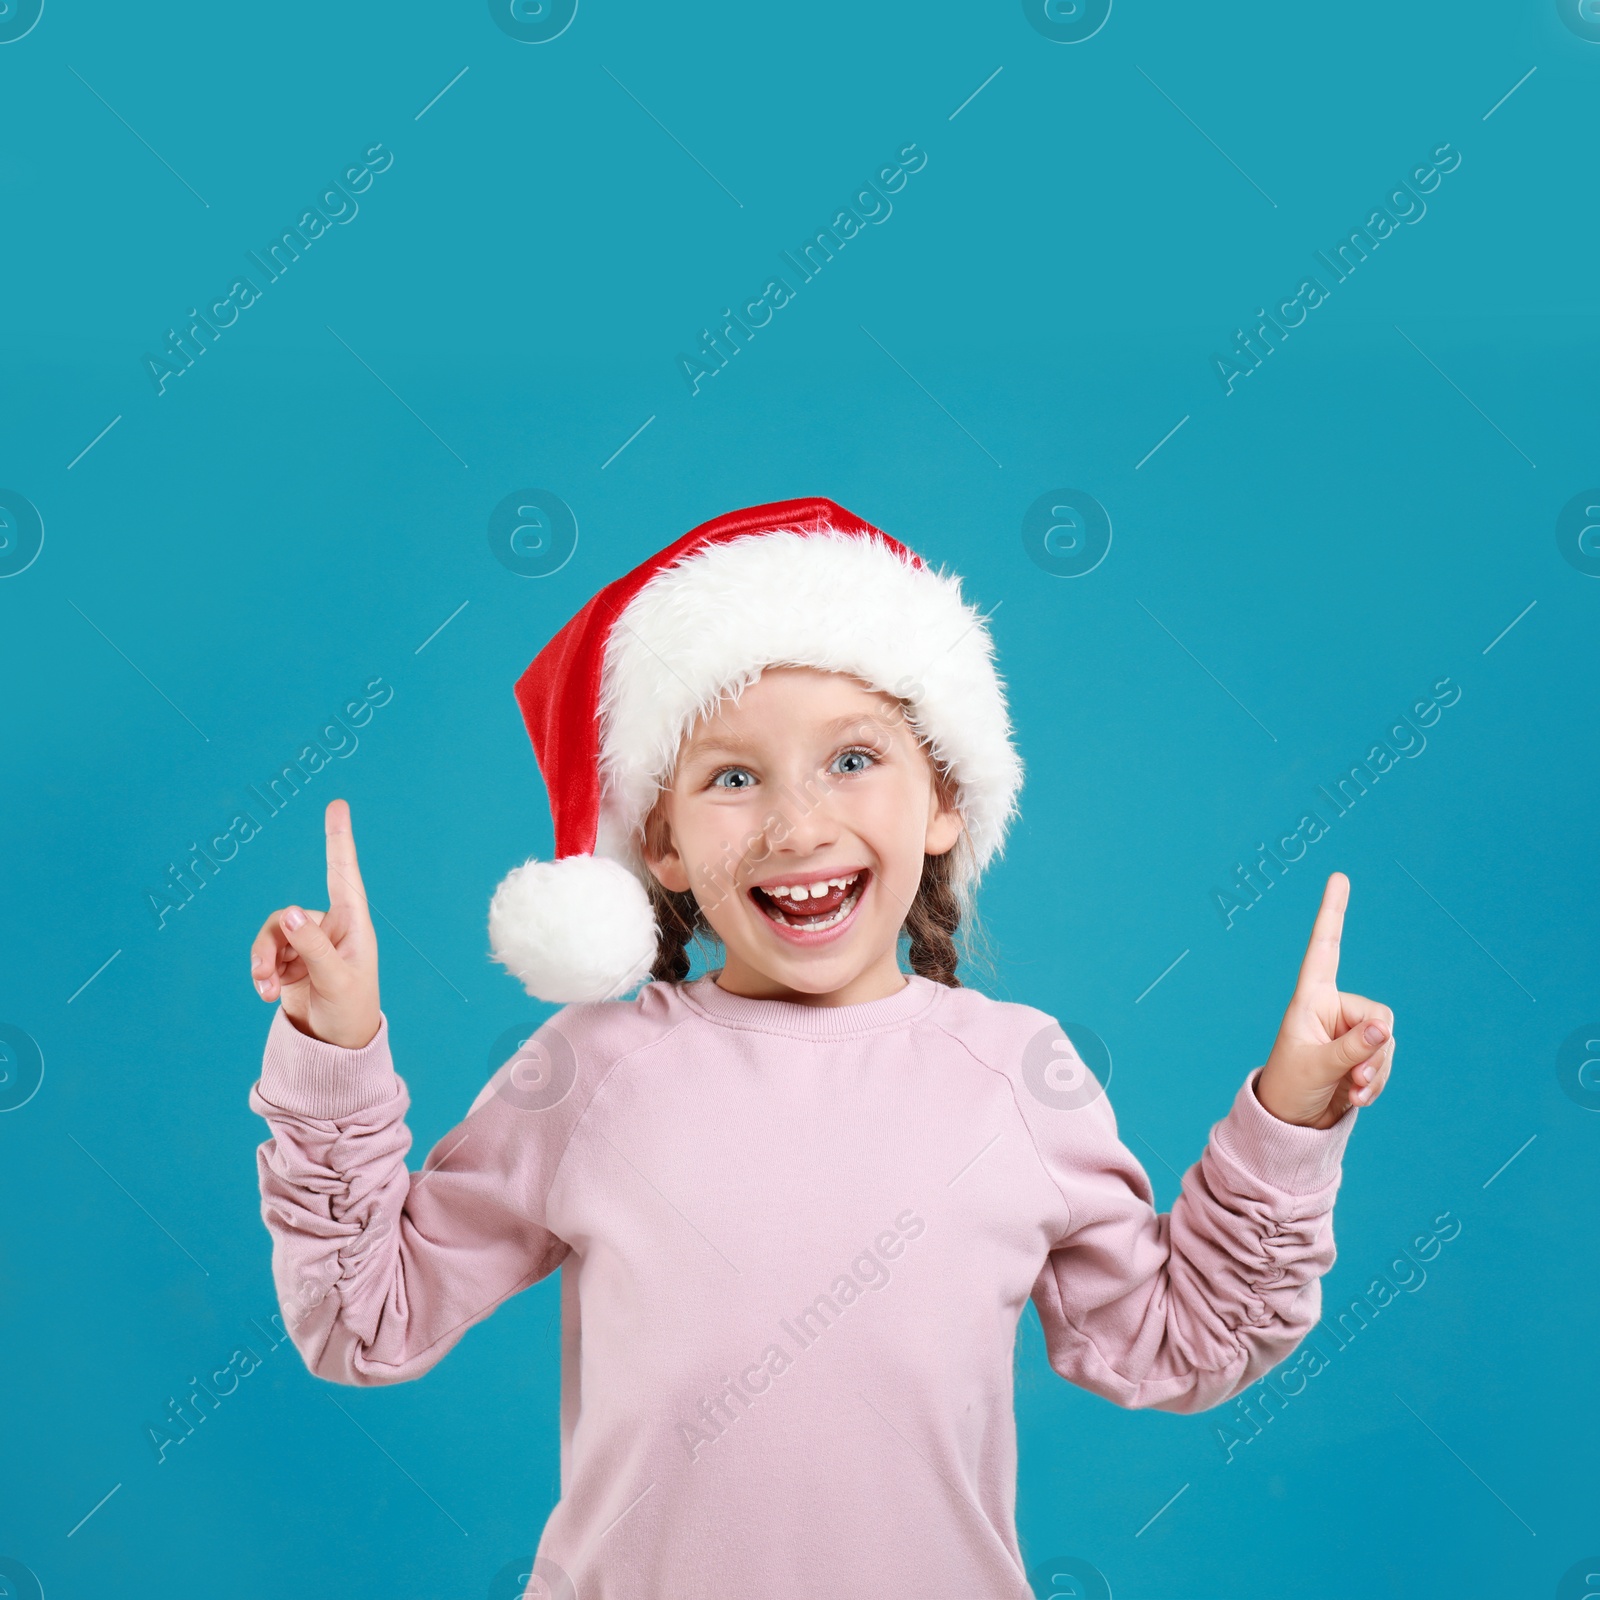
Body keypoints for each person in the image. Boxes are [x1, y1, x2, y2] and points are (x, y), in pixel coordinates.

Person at [246, 496, 1394, 1599]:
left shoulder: (1018, 1077)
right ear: (666, 846)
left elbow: (1177, 1341)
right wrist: (331, 1041)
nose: (797, 825)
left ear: (943, 800)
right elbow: (365, 1317)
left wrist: (1289, 1119)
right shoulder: (591, 1069)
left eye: (852, 759)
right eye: (733, 778)